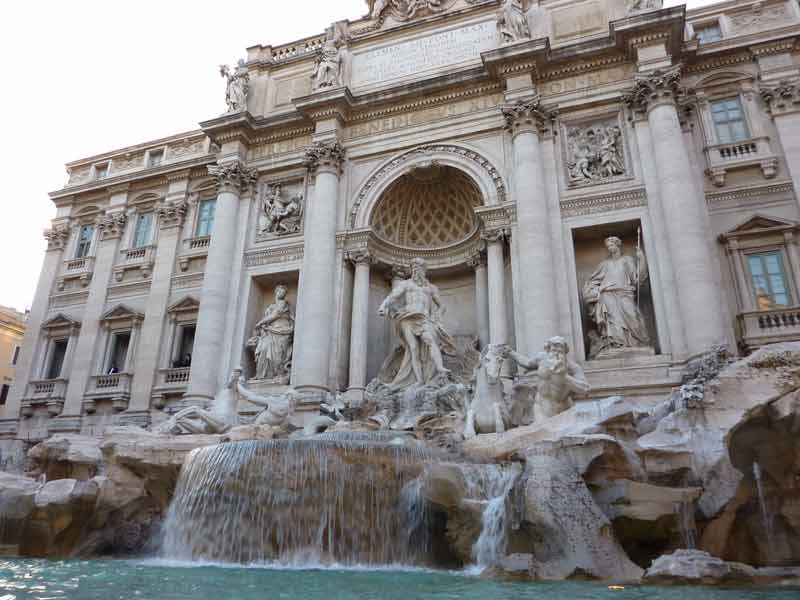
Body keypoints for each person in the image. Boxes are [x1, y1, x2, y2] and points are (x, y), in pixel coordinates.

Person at [377, 258, 457, 388]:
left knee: (431, 340)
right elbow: (393, 295)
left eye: (418, 268)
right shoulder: (406, 284)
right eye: (413, 268)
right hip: (408, 317)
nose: (415, 270)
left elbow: (442, 306)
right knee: (413, 348)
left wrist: (437, 317)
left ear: (424, 270)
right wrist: (383, 305)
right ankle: (419, 380)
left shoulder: (431, 288)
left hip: (424, 318)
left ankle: (440, 368)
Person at [583, 236, 650, 358]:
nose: (610, 248)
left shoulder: (627, 260)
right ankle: (615, 344)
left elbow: (637, 279)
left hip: (625, 293)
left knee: (632, 316)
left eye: (612, 245)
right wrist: (596, 291)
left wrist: (642, 259)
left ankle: (637, 343)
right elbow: (592, 281)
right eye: (608, 246)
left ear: (618, 245)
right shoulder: (604, 264)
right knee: (613, 322)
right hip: (608, 295)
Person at [247, 285, 294, 380]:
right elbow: (269, 316)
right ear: (276, 292)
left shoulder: (283, 303)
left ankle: (276, 374)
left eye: (284, 293)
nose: (282, 294)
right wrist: (263, 328)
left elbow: (276, 314)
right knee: (264, 349)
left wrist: (261, 323)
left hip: (281, 330)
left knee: (278, 354)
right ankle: (261, 375)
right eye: (280, 292)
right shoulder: (270, 306)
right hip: (269, 331)